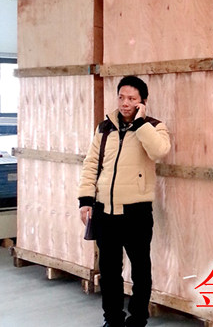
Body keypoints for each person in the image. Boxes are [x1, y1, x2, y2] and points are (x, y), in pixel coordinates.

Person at [78, 75, 171, 327]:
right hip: (104, 211)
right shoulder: (104, 128)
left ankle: (138, 319)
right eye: (121, 97)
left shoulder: (154, 127)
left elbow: (159, 151)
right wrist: (85, 200)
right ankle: (113, 319)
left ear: (142, 102)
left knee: (140, 270)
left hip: (136, 212)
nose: (125, 103)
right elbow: (91, 165)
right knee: (109, 272)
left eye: (131, 98)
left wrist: (140, 124)